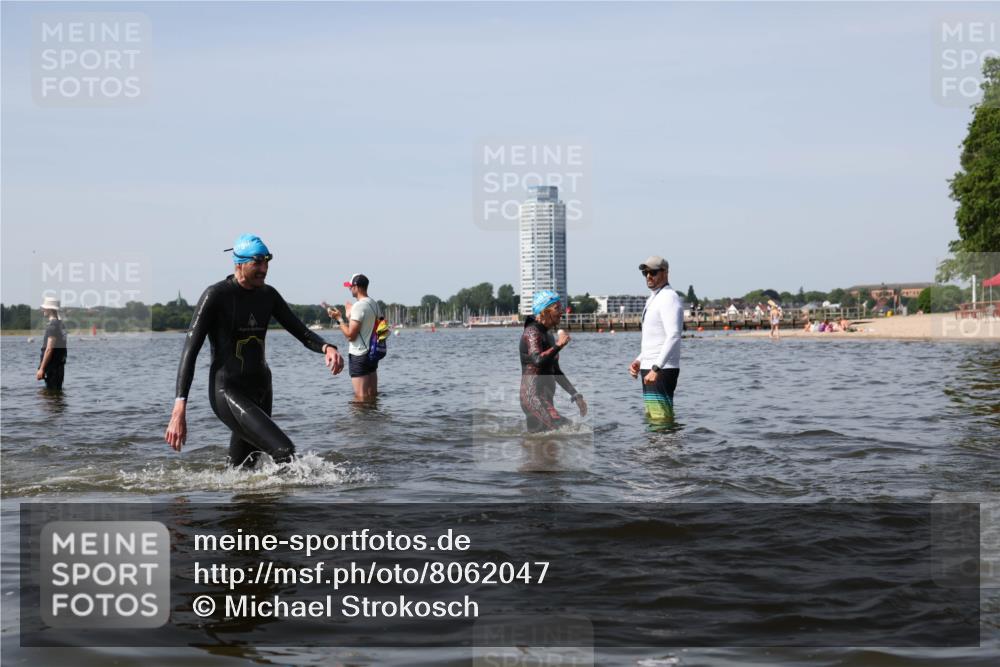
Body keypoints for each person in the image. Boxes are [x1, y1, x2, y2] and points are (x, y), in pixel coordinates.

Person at [164, 234, 344, 468]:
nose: (264, 269)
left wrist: (327, 347)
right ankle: (288, 503)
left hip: (261, 390)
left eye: (267, 262)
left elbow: (302, 332)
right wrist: (179, 408)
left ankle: (243, 503)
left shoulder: (268, 295)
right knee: (284, 451)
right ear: (239, 263)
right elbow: (190, 351)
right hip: (228, 391)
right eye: (257, 262)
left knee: (243, 468)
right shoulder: (216, 296)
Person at [519, 290, 587, 432]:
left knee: (542, 443)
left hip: (544, 397)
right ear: (544, 311)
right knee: (571, 431)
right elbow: (537, 360)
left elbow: (555, 371)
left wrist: (575, 395)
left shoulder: (547, 334)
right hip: (533, 397)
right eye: (557, 308)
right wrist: (558, 345)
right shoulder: (532, 332)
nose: (561, 312)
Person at [628, 256, 683, 429]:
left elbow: (673, 335)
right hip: (650, 367)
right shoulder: (653, 298)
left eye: (653, 272)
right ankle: (656, 455)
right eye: (645, 273)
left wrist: (656, 368)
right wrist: (639, 360)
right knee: (653, 420)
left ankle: (666, 454)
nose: (648, 276)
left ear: (665, 272)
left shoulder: (669, 297)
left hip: (662, 369)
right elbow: (654, 339)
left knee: (661, 421)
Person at [327, 273, 380, 402]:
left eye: (350, 286)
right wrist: (349, 315)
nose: (349, 289)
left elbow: (351, 335)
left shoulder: (359, 306)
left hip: (359, 355)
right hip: (373, 354)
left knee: (360, 398)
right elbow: (367, 327)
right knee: (372, 395)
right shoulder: (374, 304)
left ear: (356, 287)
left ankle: (360, 422)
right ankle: (374, 420)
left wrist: (339, 319)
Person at [35, 296, 67, 391]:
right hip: (59, 365)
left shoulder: (52, 326)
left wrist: (41, 368)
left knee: (51, 397)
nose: (42, 310)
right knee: (56, 396)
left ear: (49, 309)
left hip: (53, 367)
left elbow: (49, 349)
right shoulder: (61, 325)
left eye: (44, 308)